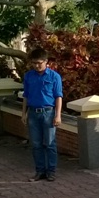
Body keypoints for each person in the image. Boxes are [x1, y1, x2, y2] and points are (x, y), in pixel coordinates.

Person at [22, 48, 63, 182]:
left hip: (48, 113)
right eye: (34, 63)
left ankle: (51, 171)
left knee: (50, 143)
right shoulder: (28, 76)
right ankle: (40, 171)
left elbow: (58, 97)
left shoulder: (54, 76)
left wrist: (58, 115)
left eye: (39, 63)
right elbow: (26, 96)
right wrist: (24, 113)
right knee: (36, 144)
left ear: (46, 62)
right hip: (33, 113)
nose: (37, 66)